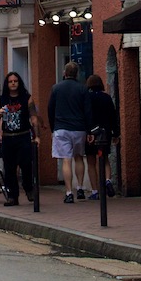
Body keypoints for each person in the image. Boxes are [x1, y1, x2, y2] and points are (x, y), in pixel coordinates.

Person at [47, 61, 92, 203]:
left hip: (61, 127)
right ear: (77, 74)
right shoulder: (82, 89)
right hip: (79, 128)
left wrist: (53, 127)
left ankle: (68, 192)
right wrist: (89, 130)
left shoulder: (56, 88)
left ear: (64, 73)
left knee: (66, 160)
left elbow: (50, 109)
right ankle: (80, 188)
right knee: (78, 157)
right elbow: (88, 111)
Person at [0, 73, 39, 205]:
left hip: (23, 135)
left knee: (26, 164)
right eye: (10, 81)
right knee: (9, 169)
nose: (13, 83)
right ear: (7, 84)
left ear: (19, 83)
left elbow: (33, 117)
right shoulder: (2, 99)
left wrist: (36, 136)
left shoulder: (26, 98)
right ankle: (12, 196)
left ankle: (28, 188)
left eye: (15, 81)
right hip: (8, 138)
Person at [84, 74, 119, 200]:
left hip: (91, 133)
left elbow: (86, 116)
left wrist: (88, 132)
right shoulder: (107, 98)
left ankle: (95, 191)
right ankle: (108, 180)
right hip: (106, 132)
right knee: (104, 158)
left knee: (91, 162)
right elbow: (113, 116)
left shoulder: (87, 98)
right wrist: (116, 133)